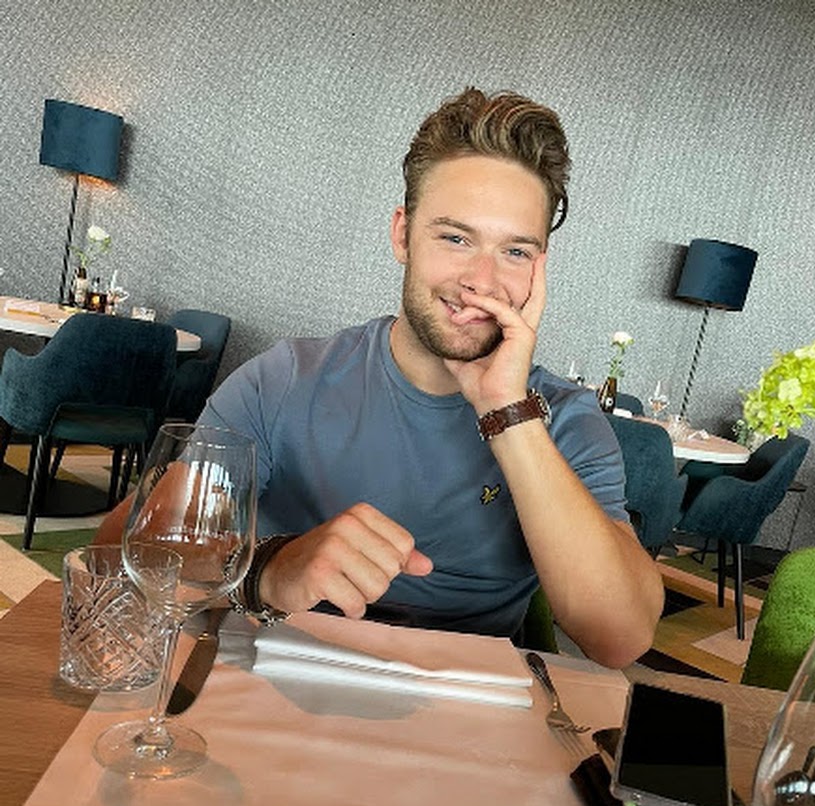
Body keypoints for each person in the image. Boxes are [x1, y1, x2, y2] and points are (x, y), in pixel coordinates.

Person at [98, 87, 663, 668]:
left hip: (462, 702)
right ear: (402, 235)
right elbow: (118, 558)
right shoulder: (285, 381)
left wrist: (506, 411)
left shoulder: (564, 421)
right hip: (270, 680)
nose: (482, 281)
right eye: (455, 238)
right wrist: (270, 569)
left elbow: (619, 637)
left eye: (515, 252)